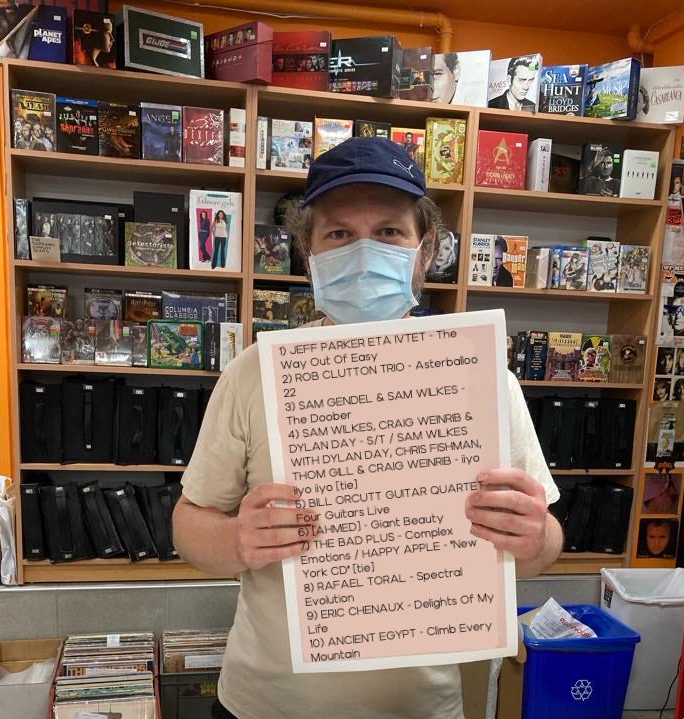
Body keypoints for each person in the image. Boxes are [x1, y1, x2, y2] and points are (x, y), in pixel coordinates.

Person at [172, 137, 563, 719]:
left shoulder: (479, 376)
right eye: (339, 233)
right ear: (308, 252)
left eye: (388, 232)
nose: (363, 252)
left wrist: (534, 538)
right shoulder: (254, 373)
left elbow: (539, 549)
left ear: (424, 252)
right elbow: (188, 522)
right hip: (265, 704)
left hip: (420, 709)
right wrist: (235, 541)